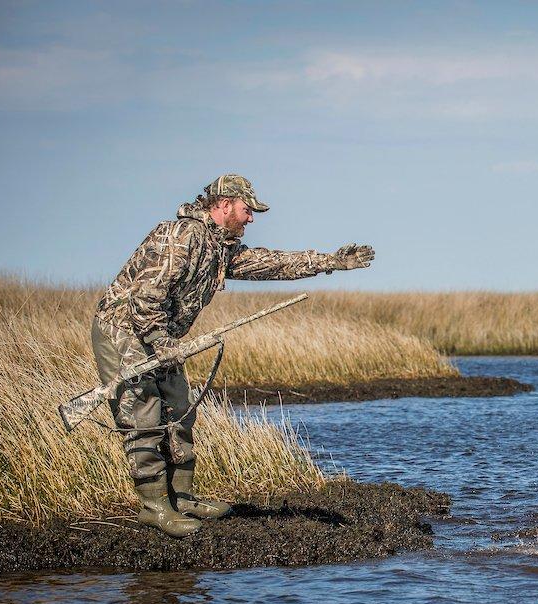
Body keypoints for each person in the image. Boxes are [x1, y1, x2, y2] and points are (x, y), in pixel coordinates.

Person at [91, 174, 374, 537]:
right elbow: (145, 295)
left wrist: (330, 261)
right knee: (143, 415)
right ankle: (154, 507)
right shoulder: (181, 236)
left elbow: (272, 264)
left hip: (159, 338)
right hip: (124, 331)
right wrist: (162, 344)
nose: (251, 218)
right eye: (247, 210)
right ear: (224, 205)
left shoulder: (219, 248)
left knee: (181, 407)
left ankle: (181, 496)